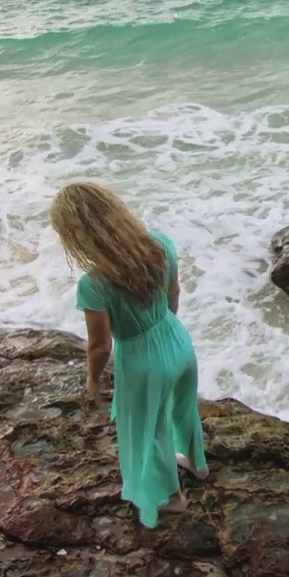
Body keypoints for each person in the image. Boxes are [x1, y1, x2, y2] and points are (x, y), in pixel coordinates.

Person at [49, 181, 208, 527]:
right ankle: (197, 464)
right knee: (183, 407)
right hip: (176, 338)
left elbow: (100, 345)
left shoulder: (93, 284)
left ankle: (172, 498)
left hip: (141, 359)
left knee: (148, 430)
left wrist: (92, 380)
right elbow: (174, 294)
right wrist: (167, 330)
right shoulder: (161, 245)